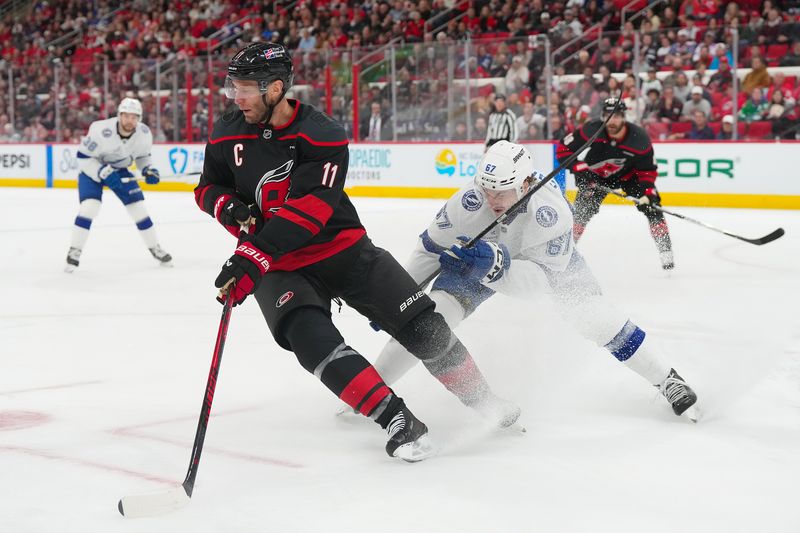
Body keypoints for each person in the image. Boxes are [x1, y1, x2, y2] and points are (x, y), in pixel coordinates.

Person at [193, 42, 518, 463]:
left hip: (341, 248)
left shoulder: (320, 133)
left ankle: (485, 401)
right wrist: (227, 206)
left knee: (423, 326)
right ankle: (396, 418)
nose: (235, 97)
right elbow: (206, 187)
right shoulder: (227, 130)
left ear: (275, 89)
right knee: (308, 339)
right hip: (279, 265)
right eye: (232, 88)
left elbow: (311, 209)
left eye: (244, 88)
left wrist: (252, 257)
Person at [371, 141, 698, 421]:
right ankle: (373, 391)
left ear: (526, 183)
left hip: (543, 268)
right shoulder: (468, 202)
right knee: (425, 322)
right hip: (475, 262)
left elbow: (538, 285)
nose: (491, 199)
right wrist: (398, 298)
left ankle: (666, 378)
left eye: (501, 191)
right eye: (486, 189)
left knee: (597, 318)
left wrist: (494, 267)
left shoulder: (553, 215)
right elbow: (429, 249)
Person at [557, 98, 676, 270]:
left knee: (652, 206)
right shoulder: (591, 129)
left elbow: (647, 170)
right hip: (594, 178)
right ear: (603, 116)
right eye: (608, 115)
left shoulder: (639, 138)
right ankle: (565, 253)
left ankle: (666, 251)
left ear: (624, 117)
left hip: (629, 177)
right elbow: (563, 149)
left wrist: (648, 191)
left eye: (617, 116)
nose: (612, 121)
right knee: (580, 214)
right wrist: (578, 168)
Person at [65, 97, 172, 272]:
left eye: (134, 117)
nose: (130, 120)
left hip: (120, 171)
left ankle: (155, 247)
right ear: (119, 115)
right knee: (90, 207)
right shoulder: (100, 129)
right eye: (127, 116)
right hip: (93, 169)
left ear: (139, 118)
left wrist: (148, 170)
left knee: (139, 209)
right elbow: (83, 157)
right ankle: (74, 250)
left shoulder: (144, 133)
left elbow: (143, 157)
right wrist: (102, 172)